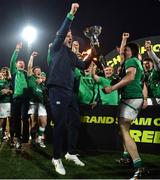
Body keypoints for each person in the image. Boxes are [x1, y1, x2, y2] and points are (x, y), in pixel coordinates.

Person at [47, 3, 93, 175]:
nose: (69, 36)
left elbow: (83, 65)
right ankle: (56, 158)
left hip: (70, 93)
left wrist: (93, 52)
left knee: (75, 122)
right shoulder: (56, 47)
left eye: (71, 35)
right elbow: (61, 31)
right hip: (57, 90)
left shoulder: (72, 55)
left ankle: (71, 153)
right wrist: (71, 14)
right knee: (60, 125)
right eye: (67, 34)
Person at [103, 42, 149, 179]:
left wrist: (112, 88)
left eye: (126, 50)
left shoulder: (132, 60)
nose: (124, 52)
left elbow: (130, 78)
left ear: (133, 52)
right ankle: (126, 157)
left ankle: (140, 166)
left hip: (131, 99)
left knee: (124, 130)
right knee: (122, 130)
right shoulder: (134, 62)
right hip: (132, 98)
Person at [10, 42, 30, 149]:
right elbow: (12, 61)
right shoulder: (14, 72)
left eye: (22, 63)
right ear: (16, 65)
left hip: (25, 99)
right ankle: (17, 138)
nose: (21, 64)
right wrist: (17, 50)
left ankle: (25, 138)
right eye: (19, 63)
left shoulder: (26, 74)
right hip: (17, 98)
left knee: (25, 117)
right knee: (17, 118)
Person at [27, 52, 47, 148]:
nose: (38, 70)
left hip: (41, 104)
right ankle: (33, 139)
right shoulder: (31, 78)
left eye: (39, 69)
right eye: (36, 69)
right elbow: (29, 67)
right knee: (34, 124)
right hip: (33, 103)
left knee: (44, 123)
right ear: (34, 71)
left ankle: (39, 139)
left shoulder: (42, 82)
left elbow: (45, 77)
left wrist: (42, 80)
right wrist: (31, 57)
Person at [0, 67, 13, 146]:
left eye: (6, 72)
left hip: (10, 103)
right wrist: (2, 92)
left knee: (11, 120)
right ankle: (1, 136)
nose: (4, 73)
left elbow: (13, 90)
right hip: (2, 103)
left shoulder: (10, 81)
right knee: (2, 120)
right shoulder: (0, 81)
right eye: (3, 72)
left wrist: (10, 91)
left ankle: (11, 138)